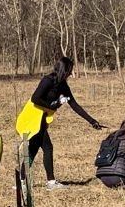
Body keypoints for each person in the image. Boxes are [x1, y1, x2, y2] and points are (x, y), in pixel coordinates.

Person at [15, 56, 105, 190]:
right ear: (65, 70)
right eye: (70, 70)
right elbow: (35, 99)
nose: (71, 73)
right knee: (47, 148)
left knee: (33, 149)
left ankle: (21, 181)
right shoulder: (47, 81)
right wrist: (53, 105)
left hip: (42, 120)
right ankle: (50, 182)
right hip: (33, 118)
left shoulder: (63, 85)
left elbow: (74, 105)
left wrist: (92, 121)